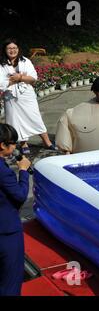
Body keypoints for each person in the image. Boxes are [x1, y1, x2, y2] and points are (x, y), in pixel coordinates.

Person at [0, 39, 55, 154]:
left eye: (14, 48)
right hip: (10, 97)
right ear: (5, 50)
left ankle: (47, 141)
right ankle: (23, 143)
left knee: (35, 117)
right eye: (9, 48)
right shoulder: (1, 64)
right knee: (15, 120)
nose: (12, 50)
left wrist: (19, 78)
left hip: (27, 95)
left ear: (18, 49)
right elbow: (1, 83)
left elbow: (33, 78)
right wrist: (18, 79)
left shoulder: (25, 61)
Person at [0, 123, 31, 296]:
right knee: (10, 281)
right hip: (6, 232)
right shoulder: (4, 172)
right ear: (2, 145)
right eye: (12, 143)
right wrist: (23, 171)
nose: (14, 147)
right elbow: (20, 195)